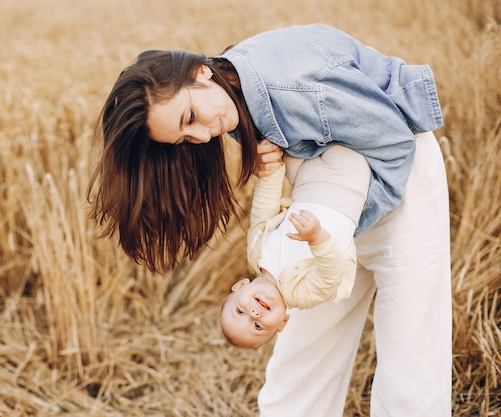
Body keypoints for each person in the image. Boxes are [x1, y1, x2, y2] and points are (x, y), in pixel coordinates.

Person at [88, 23, 451, 417]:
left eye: (190, 116)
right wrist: (294, 198)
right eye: (185, 137)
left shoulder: (291, 88)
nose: (202, 135)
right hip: (314, 219)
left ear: (199, 73)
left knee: (410, 368)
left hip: (396, 186)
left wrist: (337, 230)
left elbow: (393, 141)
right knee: (299, 367)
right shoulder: (231, 94)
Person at [220, 145, 371, 349]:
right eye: (257, 326)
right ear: (282, 322)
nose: (254, 314)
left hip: (305, 179)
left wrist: (270, 169)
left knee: (277, 141)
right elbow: (330, 275)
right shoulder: (302, 295)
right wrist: (317, 238)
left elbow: (264, 209)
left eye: (240, 312)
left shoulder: (256, 253)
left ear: (240, 286)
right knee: (345, 138)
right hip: (344, 186)